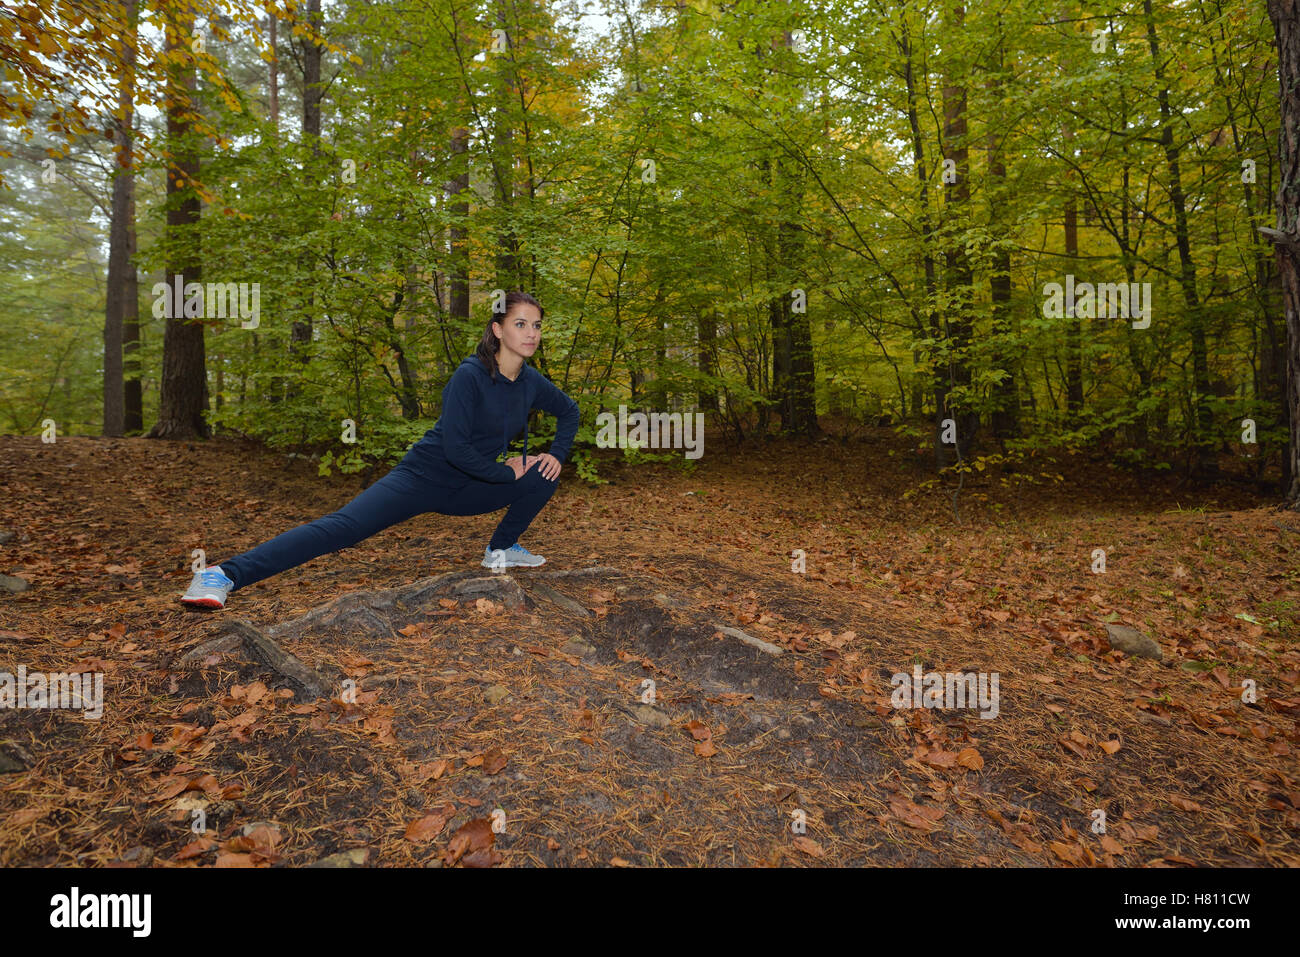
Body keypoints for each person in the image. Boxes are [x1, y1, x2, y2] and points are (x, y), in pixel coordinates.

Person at [180, 291, 580, 609]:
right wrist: (506, 472)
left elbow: (569, 411)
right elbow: (457, 449)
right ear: (497, 329)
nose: (531, 333)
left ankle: (501, 549)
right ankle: (223, 574)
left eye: (537, 325)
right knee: (342, 529)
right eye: (520, 324)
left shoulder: (530, 381)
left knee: (545, 472)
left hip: (472, 485)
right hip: (423, 478)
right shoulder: (469, 376)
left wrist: (554, 454)